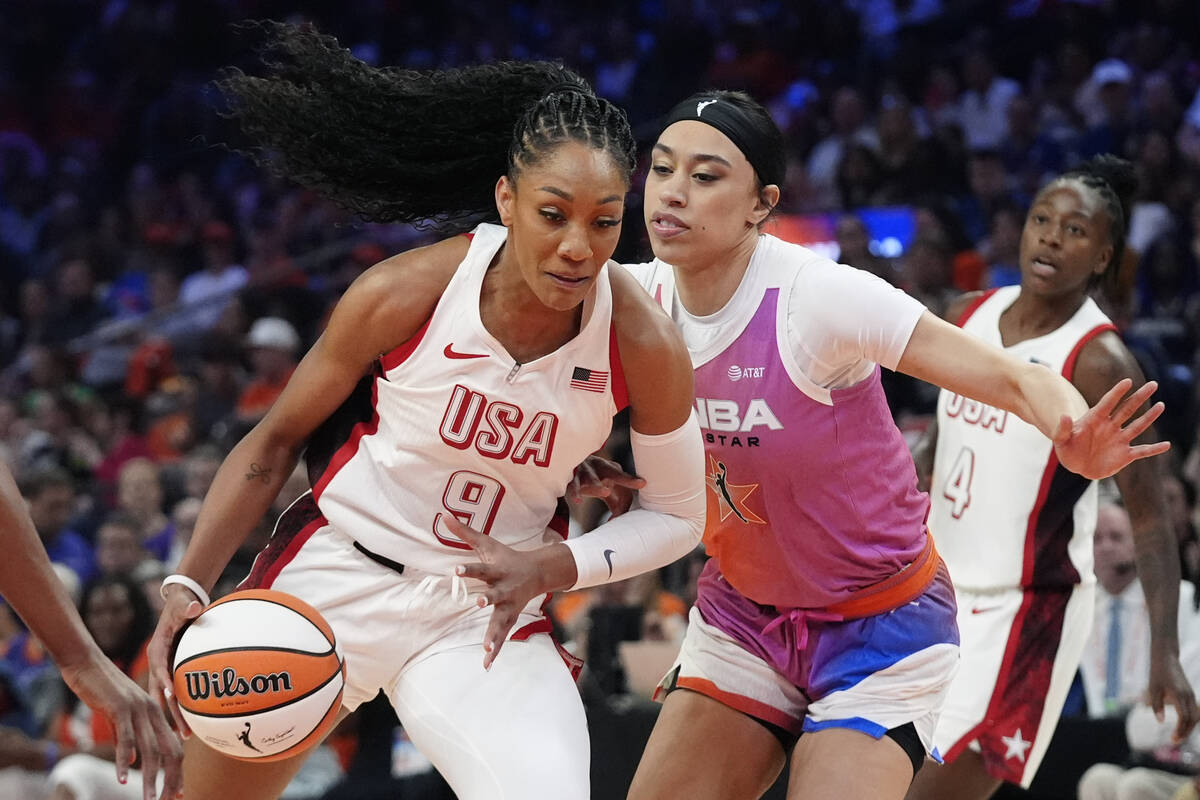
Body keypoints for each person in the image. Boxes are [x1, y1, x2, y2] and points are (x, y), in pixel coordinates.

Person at [145, 23, 704, 800]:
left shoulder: (644, 342)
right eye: (553, 214)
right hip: (339, 575)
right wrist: (188, 585)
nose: (579, 246)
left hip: (484, 609)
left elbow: (682, 515)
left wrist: (555, 564)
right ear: (506, 199)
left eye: (604, 221)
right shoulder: (405, 292)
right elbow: (273, 445)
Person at [617, 91, 1172, 800]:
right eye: (662, 169)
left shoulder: (821, 296)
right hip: (746, 613)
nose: (673, 192)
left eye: (705, 175)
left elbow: (1013, 379)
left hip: (889, 626)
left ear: (762, 202)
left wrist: (1071, 433)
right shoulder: (632, 300)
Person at [907, 155, 1196, 799]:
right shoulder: (966, 313)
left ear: (1102, 257)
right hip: (934, 591)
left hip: (1027, 607)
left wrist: (1165, 648)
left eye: (1074, 229)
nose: (1050, 238)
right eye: (1042, 220)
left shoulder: (1098, 358)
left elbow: (1149, 517)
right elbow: (940, 444)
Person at [0, 462, 180, 800]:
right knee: (9, 781)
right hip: (74, 774)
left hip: (147, 782)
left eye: (117, 610)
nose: (106, 620)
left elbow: (137, 753)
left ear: (137, 615)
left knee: (73, 771)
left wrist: (41, 754)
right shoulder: (72, 672)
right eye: (97, 612)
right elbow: (54, 740)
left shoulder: (150, 656)